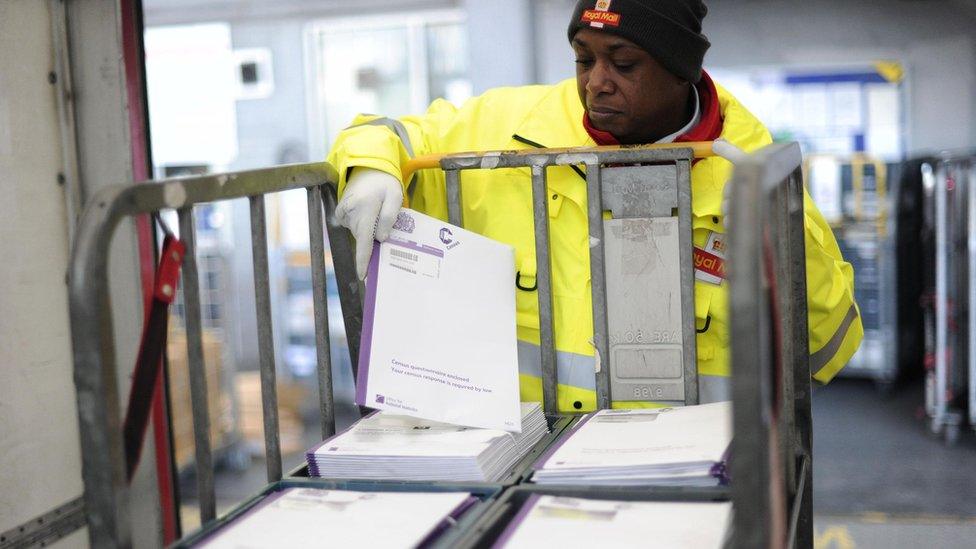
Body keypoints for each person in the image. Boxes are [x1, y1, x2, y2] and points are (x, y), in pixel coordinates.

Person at [328, 0, 862, 411]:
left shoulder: (746, 166)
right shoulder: (507, 129)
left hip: (689, 478)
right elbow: (388, 130)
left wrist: (774, 237)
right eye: (584, 59)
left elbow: (826, 348)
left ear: (682, 71)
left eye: (623, 63)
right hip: (523, 462)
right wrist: (371, 165)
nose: (596, 83)